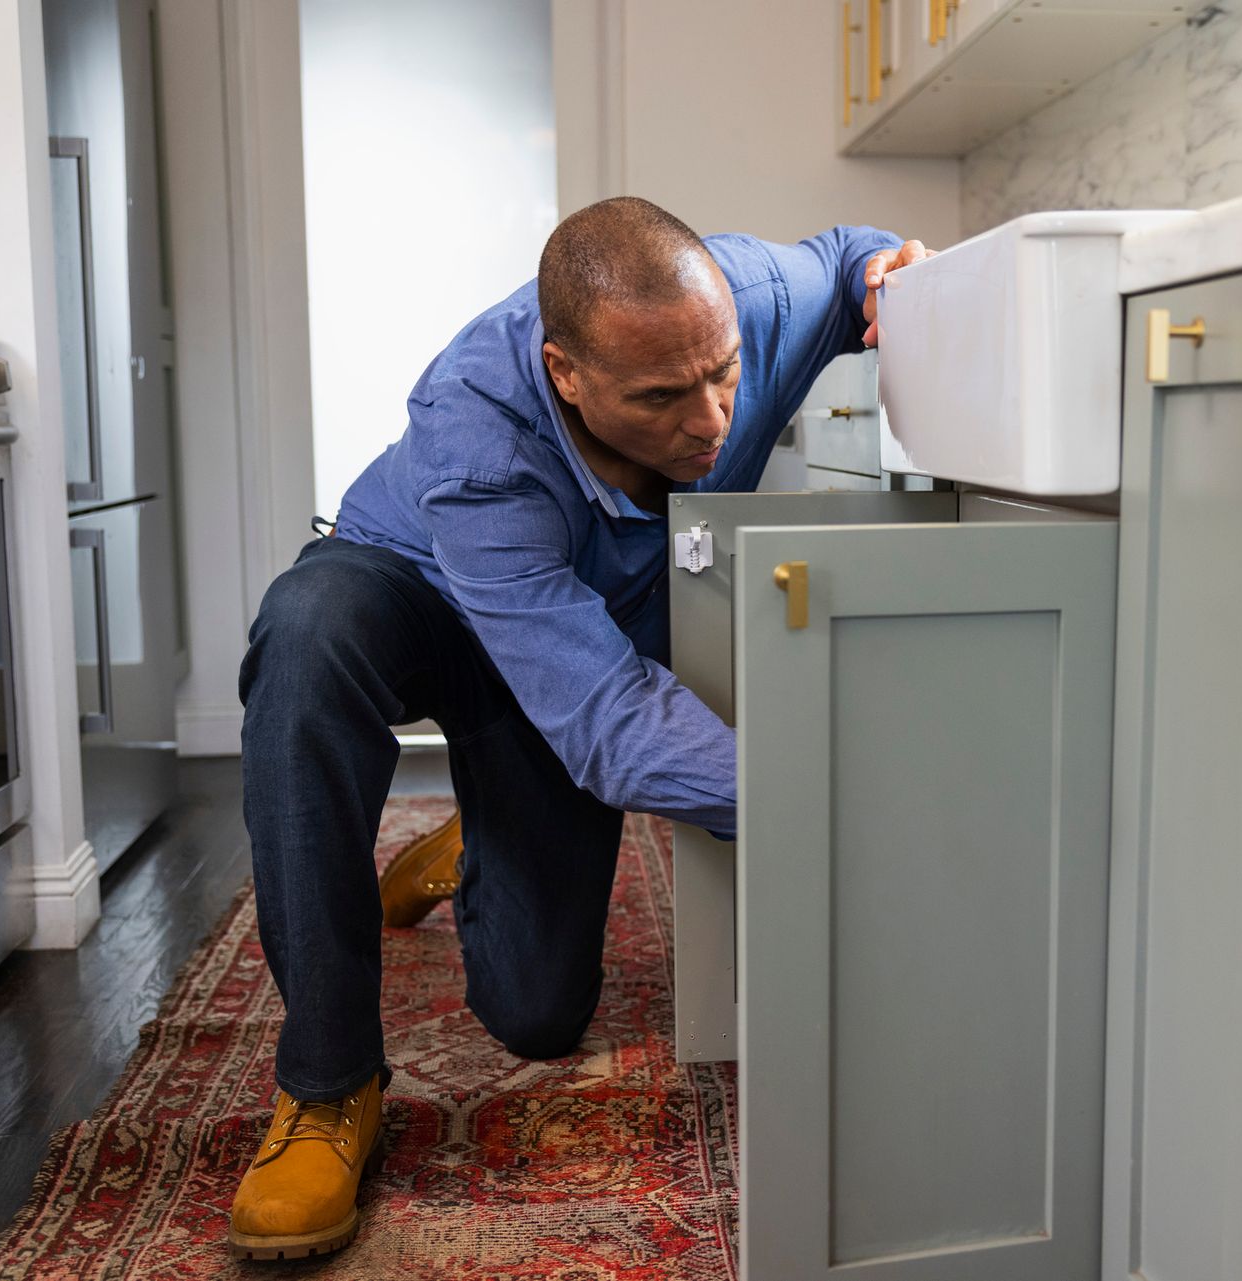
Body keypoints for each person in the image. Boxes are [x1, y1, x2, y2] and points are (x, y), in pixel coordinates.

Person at [226, 196, 930, 1260]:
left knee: (538, 1017)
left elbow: (845, 258)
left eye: (723, 372)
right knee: (307, 631)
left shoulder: (752, 299)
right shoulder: (477, 432)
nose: (712, 421)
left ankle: (477, 843)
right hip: (413, 591)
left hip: (564, 648)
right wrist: (832, 799)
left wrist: (888, 271)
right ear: (566, 374)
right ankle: (326, 1089)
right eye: (660, 397)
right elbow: (606, 721)